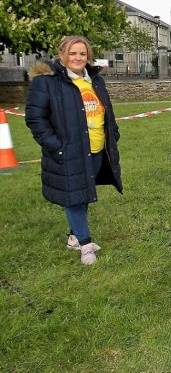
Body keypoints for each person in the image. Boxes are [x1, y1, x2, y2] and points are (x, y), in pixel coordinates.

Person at [25, 35, 122, 265]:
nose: (77, 58)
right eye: (72, 53)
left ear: (88, 56)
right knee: (75, 198)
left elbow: (107, 111)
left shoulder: (95, 81)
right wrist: (57, 147)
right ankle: (85, 245)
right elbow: (35, 119)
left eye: (82, 53)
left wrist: (113, 133)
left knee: (82, 192)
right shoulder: (47, 82)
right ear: (62, 54)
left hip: (96, 149)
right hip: (68, 151)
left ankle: (73, 236)